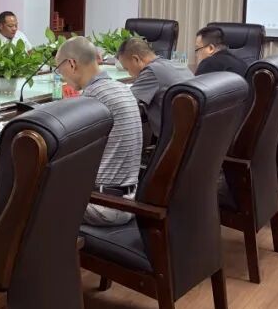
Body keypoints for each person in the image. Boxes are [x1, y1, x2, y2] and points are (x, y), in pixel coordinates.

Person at [55, 37, 143, 226]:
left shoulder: (92, 98)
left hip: (106, 205)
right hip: (131, 200)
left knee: (32, 204)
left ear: (71, 64)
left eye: (59, 69)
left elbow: (70, 151)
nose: (61, 76)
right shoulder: (122, 89)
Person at [116, 36, 192, 136]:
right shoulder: (176, 64)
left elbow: (126, 103)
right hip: (191, 133)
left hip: (173, 138)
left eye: (127, 68)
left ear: (136, 59)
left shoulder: (151, 71)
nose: (129, 73)